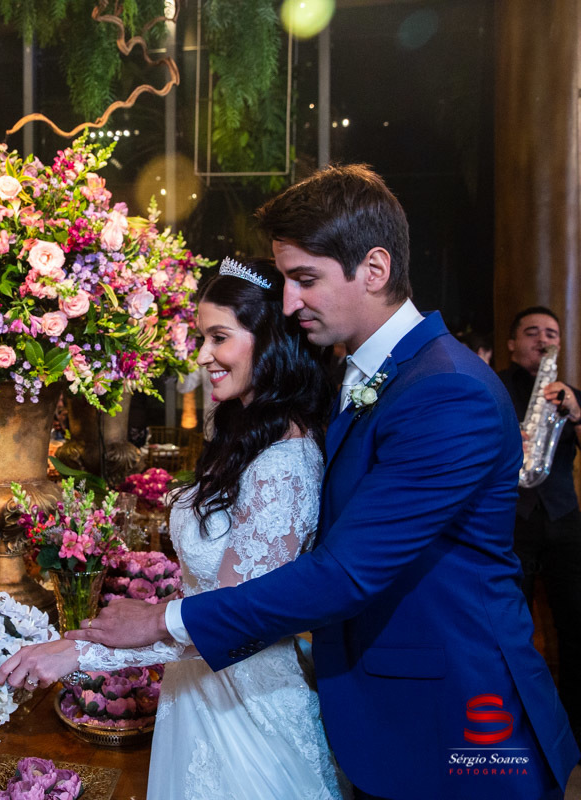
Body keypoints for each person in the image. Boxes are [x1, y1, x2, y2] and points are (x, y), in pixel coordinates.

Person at [51, 165, 577, 799]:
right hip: (377, 708)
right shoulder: (365, 376)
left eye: (305, 280)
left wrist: (165, 619)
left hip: (455, 720)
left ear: (374, 269)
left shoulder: (446, 391)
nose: (289, 303)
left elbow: (347, 573)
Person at [0, 258, 346, 798]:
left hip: (246, 718)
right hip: (196, 692)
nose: (203, 355)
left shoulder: (286, 463)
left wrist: (81, 654)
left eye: (219, 337)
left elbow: (235, 622)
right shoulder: (242, 432)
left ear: (271, 341)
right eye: (203, 337)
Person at [498, 306, 581, 747]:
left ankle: (573, 730)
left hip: (564, 521)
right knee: (512, 625)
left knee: (575, 624)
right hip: (513, 522)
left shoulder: (571, 395)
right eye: (532, 332)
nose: (543, 340)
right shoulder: (492, 389)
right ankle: (518, 726)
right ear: (513, 344)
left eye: (551, 333)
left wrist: (576, 411)